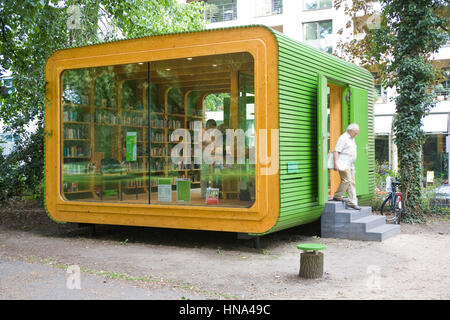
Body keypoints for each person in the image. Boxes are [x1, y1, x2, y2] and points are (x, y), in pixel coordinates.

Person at [332, 123, 360, 210]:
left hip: (350, 163)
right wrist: (336, 163)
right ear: (350, 130)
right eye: (355, 132)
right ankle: (337, 195)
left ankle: (352, 202)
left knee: (352, 182)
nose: (356, 134)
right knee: (347, 180)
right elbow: (336, 151)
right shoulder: (343, 138)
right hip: (343, 163)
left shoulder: (352, 139)